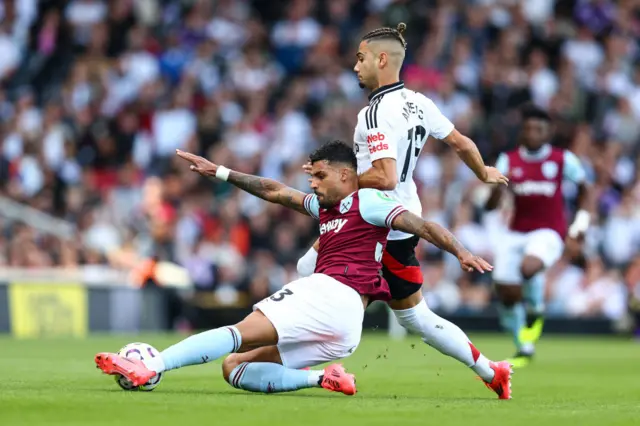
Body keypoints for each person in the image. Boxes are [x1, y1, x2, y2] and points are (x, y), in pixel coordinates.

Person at [95, 141, 511, 399]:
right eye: (311, 176)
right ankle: (324, 380)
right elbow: (275, 191)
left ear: (347, 175)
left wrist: (460, 251)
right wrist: (219, 171)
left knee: (240, 330)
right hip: (344, 329)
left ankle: (152, 366)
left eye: (320, 175)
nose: (312, 184)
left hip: (332, 294)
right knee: (234, 367)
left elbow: (421, 225)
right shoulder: (326, 208)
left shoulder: (367, 202)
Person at [297, 23, 511, 389]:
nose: (355, 67)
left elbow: (384, 177)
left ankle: (311, 367)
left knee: (313, 275)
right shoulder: (419, 102)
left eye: (360, 58)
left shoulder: (375, 112)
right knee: (415, 317)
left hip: (374, 220)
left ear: (382, 59)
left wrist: (338, 180)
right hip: (401, 221)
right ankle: (492, 372)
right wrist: (484, 173)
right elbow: (460, 142)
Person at [485, 104, 592, 367]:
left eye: (538, 129)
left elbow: (586, 192)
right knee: (506, 292)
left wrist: (579, 229)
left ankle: (535, 308)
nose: (533, 133)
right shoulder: (508, 160)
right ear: (522, 132)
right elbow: (489, 205)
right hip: (515, 232)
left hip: (549, 230)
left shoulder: (562, 159)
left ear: (548, 132)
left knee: (529, 267)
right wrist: (497, 190)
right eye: (528, 128)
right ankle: (525, 345)